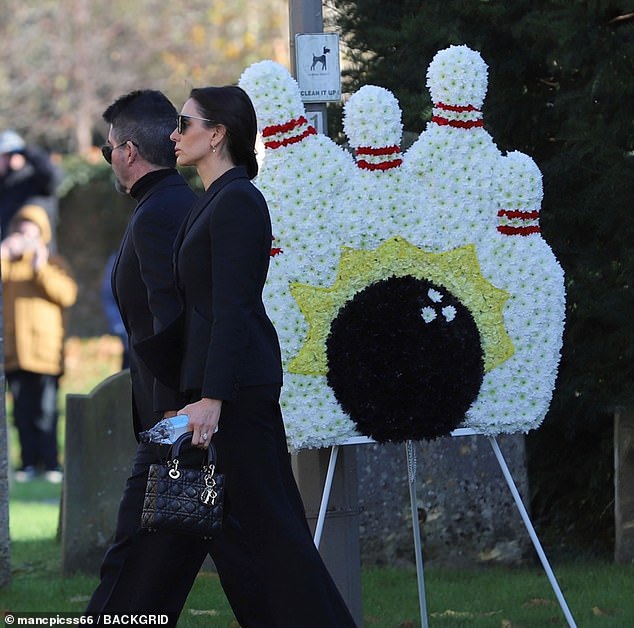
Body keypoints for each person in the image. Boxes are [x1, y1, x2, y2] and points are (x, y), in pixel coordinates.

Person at [148, 85, 356, 626]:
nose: (173, 135)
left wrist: (212, 397)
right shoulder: (213, 200)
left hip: (238, 392)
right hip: (221, 389)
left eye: (183, 123)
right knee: (243, 537)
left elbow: (235, 308)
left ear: (217, 134)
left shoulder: (239, 200)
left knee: (274, 535)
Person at [86, 90, 197, 615]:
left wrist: (174, 413)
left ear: (129, 151)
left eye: (109, 149)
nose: (109, 159)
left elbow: (172, 318)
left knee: (131, 560)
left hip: (177, 423)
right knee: (254, 562)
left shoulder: (159, 214)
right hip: (186, 418)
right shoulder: (173, 204)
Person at [1, 202, 77, 482]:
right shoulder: (8, 266)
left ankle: (52, 464)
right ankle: (28, 463)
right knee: (20, 412)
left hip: (45, 354)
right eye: (21, 233)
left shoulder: (54, 264)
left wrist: (40, 267)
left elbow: (67, 295)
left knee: (46, 411)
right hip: (15, 352)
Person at [0, 129, 62, 247]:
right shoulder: (4, 186)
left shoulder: (35, 181)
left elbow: (53, 175)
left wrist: (25, 150)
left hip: (38, 258)